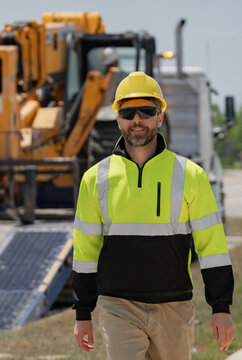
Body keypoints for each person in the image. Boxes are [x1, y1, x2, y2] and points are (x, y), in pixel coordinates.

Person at [72, 71, 235, 359]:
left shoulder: (190, 176)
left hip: (173, 307)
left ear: (159, 118)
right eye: (128, 112)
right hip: (118, 306)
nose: (137, 119)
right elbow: (85, 251)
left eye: (146, 111)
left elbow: (212, 246)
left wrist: (220, 308)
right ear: (119, 119)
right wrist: (82, 311)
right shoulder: (95, 179)